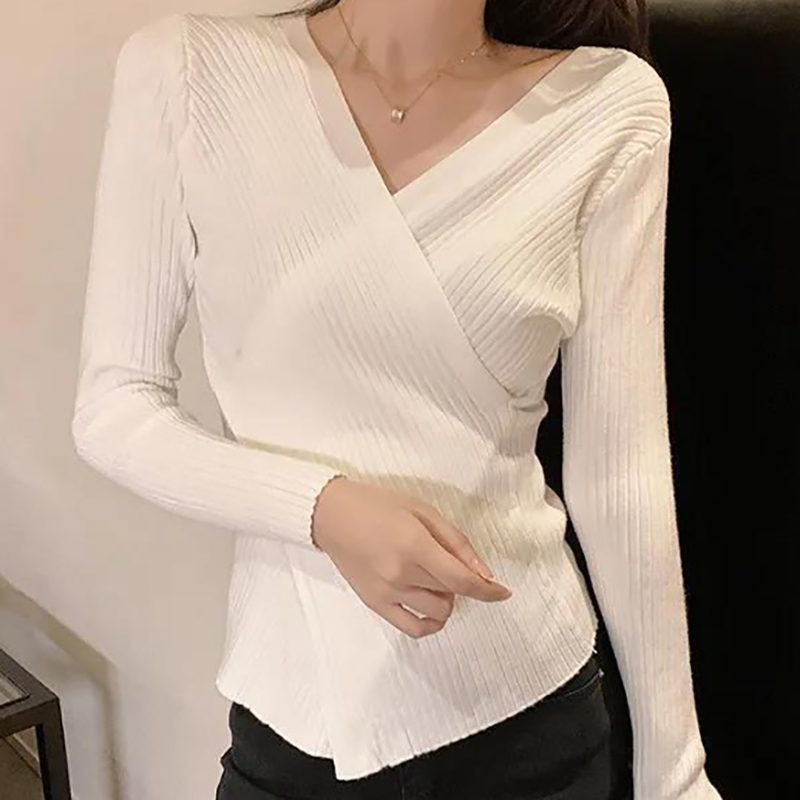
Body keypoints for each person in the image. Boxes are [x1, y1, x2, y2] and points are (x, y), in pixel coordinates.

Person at [71, 0, 725, 798]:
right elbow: (115, 405)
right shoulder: (189, 72)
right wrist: (321, 509)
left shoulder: (606, 104)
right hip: (293, 725)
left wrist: (676, 773)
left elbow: (620, 473)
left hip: (530, 725)